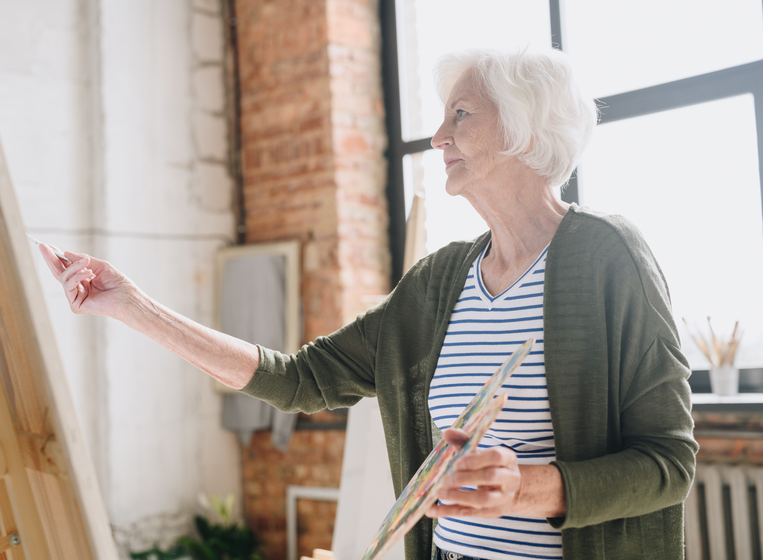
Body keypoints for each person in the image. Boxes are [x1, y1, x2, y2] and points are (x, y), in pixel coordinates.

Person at [40, 48, 697, 560]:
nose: (438, 135)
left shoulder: (610, 257)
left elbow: (667, 464)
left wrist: (527, 487)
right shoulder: (436, 284)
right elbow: (296, 379)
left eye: (460, 115)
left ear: (523, 131)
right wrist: (130, 306)